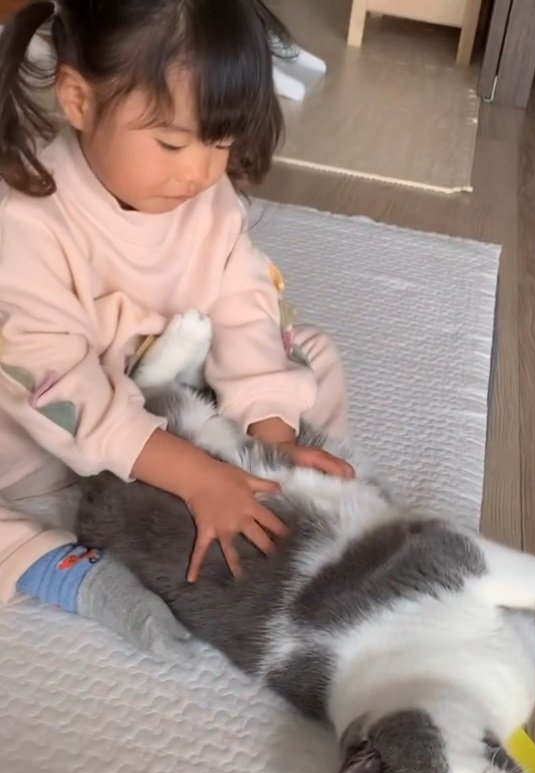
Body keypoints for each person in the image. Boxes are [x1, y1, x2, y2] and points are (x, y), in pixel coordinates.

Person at [0, 0, 352, 659]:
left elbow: (243, 304)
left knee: (309, 354)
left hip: (164, 396)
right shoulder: (27, 221)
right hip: (43, 439)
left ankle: (275, 491)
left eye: (220, 143)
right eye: (171, 143)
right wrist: (193, 475)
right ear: (78, 99)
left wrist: (271, 439)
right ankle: (57, 564)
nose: (199, 172)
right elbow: (57, 388)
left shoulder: (206, 200)